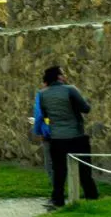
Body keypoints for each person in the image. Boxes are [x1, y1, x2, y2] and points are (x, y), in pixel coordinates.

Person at [35, 65, 98, 208]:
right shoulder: (70, 90)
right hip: (75, 135)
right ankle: (92, 197)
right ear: (58, 77)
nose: (65, 76)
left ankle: (58, 199)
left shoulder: (43, 94)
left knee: (59, 171)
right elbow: (85, 108)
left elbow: (45, 115)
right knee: (84, 170)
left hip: (57, 138)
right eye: (63, 74)